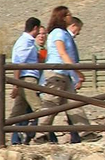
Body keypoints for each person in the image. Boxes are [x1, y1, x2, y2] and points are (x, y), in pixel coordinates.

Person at [42, 10, 92, 143]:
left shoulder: (63, 33)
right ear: (63, 17)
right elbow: (63, 53)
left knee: (73, 103)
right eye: (68, 14)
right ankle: (39, 133)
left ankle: (86, 132)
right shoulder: (58, 33)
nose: (71, 16)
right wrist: (77, 72)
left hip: (65, 73)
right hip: (57, 72)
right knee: (51, 104)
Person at [7, 18, 45, 144]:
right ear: (35, 28)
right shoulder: (25, 42)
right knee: (39, 108)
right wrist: (16, 84)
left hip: (25, 80)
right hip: (27, 79)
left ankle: (0, 133)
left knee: (17, 112)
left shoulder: (27, 42)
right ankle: (44, 136)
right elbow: (18, 64)